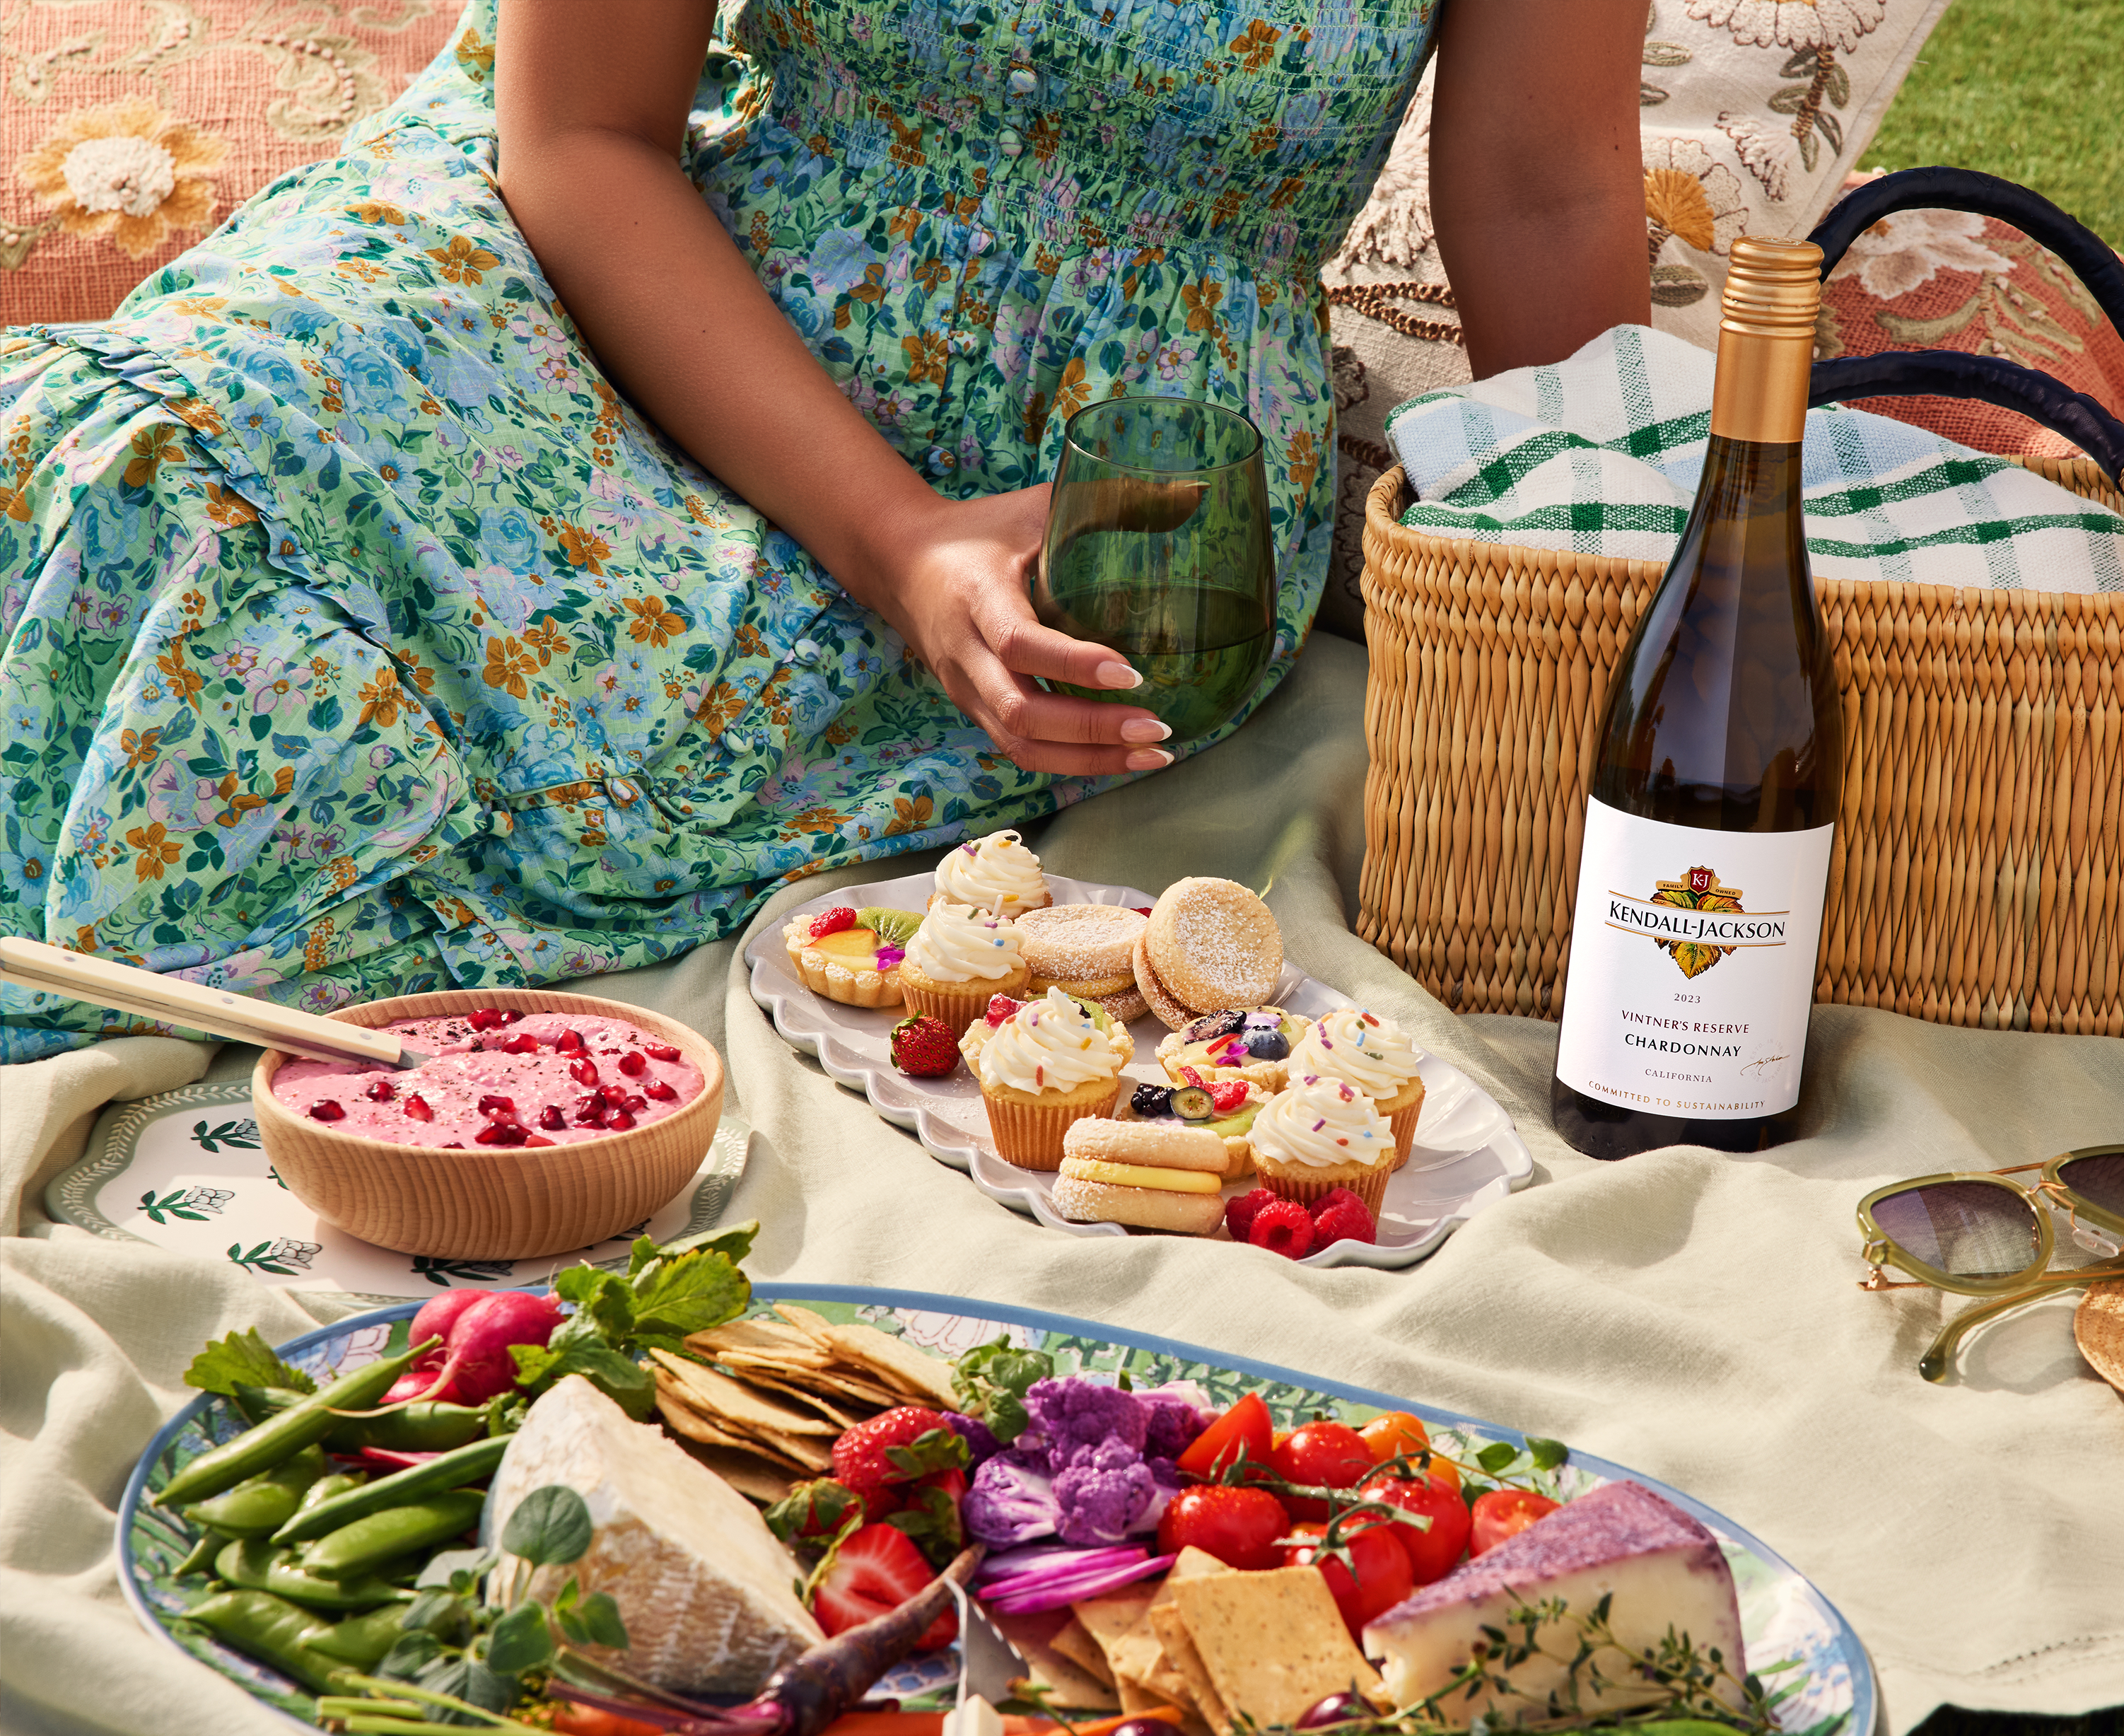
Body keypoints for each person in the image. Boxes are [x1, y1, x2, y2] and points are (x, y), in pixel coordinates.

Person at [0, 0, 1649, 1060]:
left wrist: (1611, 611)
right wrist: (895, 540)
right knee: (167, 445)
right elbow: (577, 132)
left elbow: (1543, 189)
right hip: (621, 281)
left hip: (1095, 477)